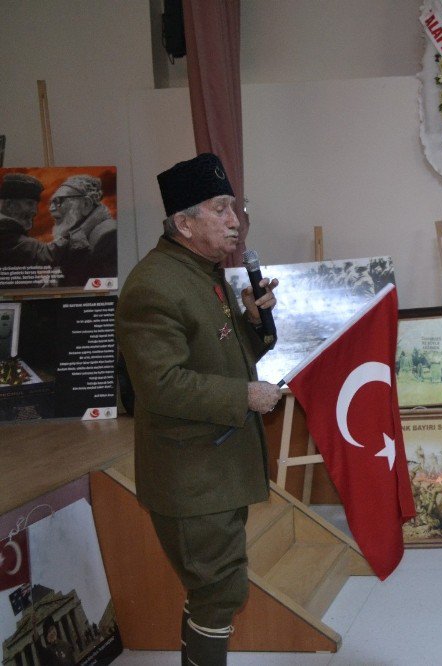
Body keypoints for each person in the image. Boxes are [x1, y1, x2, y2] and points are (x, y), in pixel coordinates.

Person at [116, 153, 281, 666]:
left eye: (235, 207)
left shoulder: (203, 275)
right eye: (220, 209)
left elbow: (225, 356)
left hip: (216, 464)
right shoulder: (154, 285)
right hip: (190, 474)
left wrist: (253, 322)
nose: (235, 220)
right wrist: (244, 397)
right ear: (184, 223)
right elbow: (160, 385)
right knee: (218, 590)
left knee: (217, 589)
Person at [48, 174, 118, 285]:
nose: (51, 209)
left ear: (86, 204)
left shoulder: (109, 236)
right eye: (51, 202)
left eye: (59, 201)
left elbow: (94, 287)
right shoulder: (72, 238)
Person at [0, 173, 51, 266]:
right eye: (30, 203)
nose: (35, 211)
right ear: (9, 205)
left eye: (36, 205)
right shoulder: (8, 237)